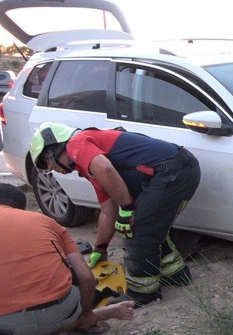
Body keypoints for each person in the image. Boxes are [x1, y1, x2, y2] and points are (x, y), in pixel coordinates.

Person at [29, 123, 201, 306]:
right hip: (176, 169)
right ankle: (176, 274)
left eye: (47, 161)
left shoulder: (76, 143)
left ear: (54, 148)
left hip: (173, 170)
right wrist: (100, 249)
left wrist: (127, 208)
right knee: (151, 227)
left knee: (139, 229)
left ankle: (143, 294)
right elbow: (107, 212)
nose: (51, 168)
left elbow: (106, 169)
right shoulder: (89, 169)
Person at [0, 183, 135, 335]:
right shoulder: (46, 222)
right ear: (21, 208)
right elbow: (86, 277)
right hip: (60, 310)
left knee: (9, 324)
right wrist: (85, 315)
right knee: (40, 313)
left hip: (5, 321)